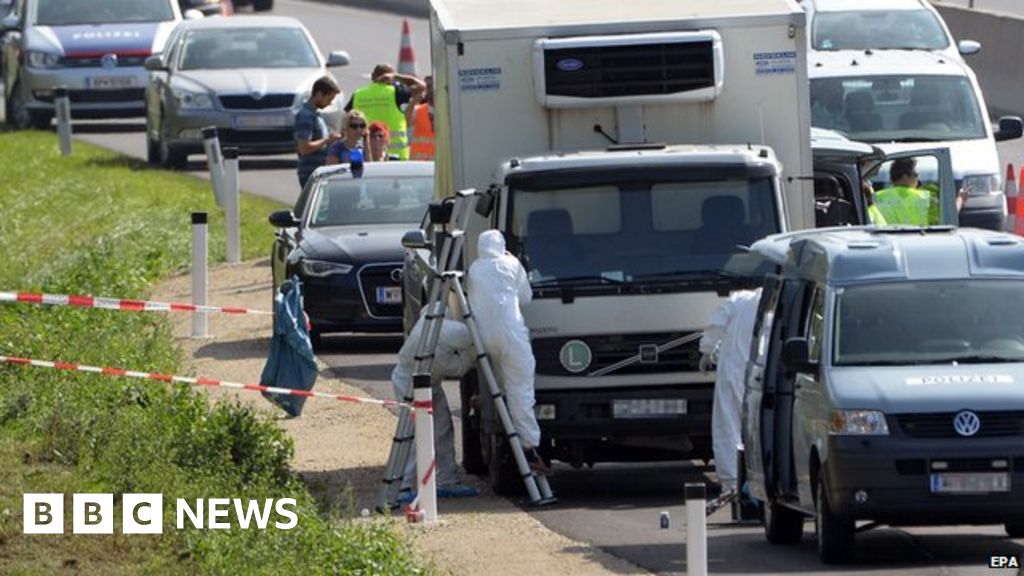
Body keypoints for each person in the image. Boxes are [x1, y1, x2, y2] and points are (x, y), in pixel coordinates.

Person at [466, 230, 547, 472]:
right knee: (521, 390)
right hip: (512, 335)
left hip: (483, 339)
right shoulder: (512, 263)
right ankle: (530, 448)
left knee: (501, 384)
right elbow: (526, 298)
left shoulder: (474, 269)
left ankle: (488, 411)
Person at [392, 304, 479, 501]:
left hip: (428, 381)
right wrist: (473, 353)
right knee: (415, 435)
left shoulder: (432, 320)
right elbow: (459, 368)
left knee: (442, 430)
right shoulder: (440, 352)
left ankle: (447, 480)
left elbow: (432, 306)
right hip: (411, 383)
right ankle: (403, 487)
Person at [699, 288, 762, 496]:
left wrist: (707, 351)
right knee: (760, 432)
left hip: (734, 373)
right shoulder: (784, 301)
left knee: (728, 428)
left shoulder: (740, 300)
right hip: (762, 378)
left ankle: (732, 485)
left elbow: (716, 324)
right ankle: (760, 484)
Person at [345, 63, 425, 160]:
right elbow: (421, 86)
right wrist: (396, 76)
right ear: (391, 78)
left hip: (365, 153)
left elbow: (346, 119)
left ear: (372, 77)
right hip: (396, 155)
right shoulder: (396, 92)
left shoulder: (358, 94)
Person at [295, 76, 342, 188]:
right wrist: (327, 140)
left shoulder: (316, 115)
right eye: (329, 99)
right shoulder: (306, 116)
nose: (330, 103)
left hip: (319, 169)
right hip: (310, 171)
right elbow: (304, 148)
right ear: (319, 94)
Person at [406, 75, 435, 161]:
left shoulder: (445, 110)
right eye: (427, 88)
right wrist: (414, 100)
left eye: (431, 87)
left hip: (437, 163)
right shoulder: (418, 110)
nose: (429, 91)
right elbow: (407, 121)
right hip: (418, 163)